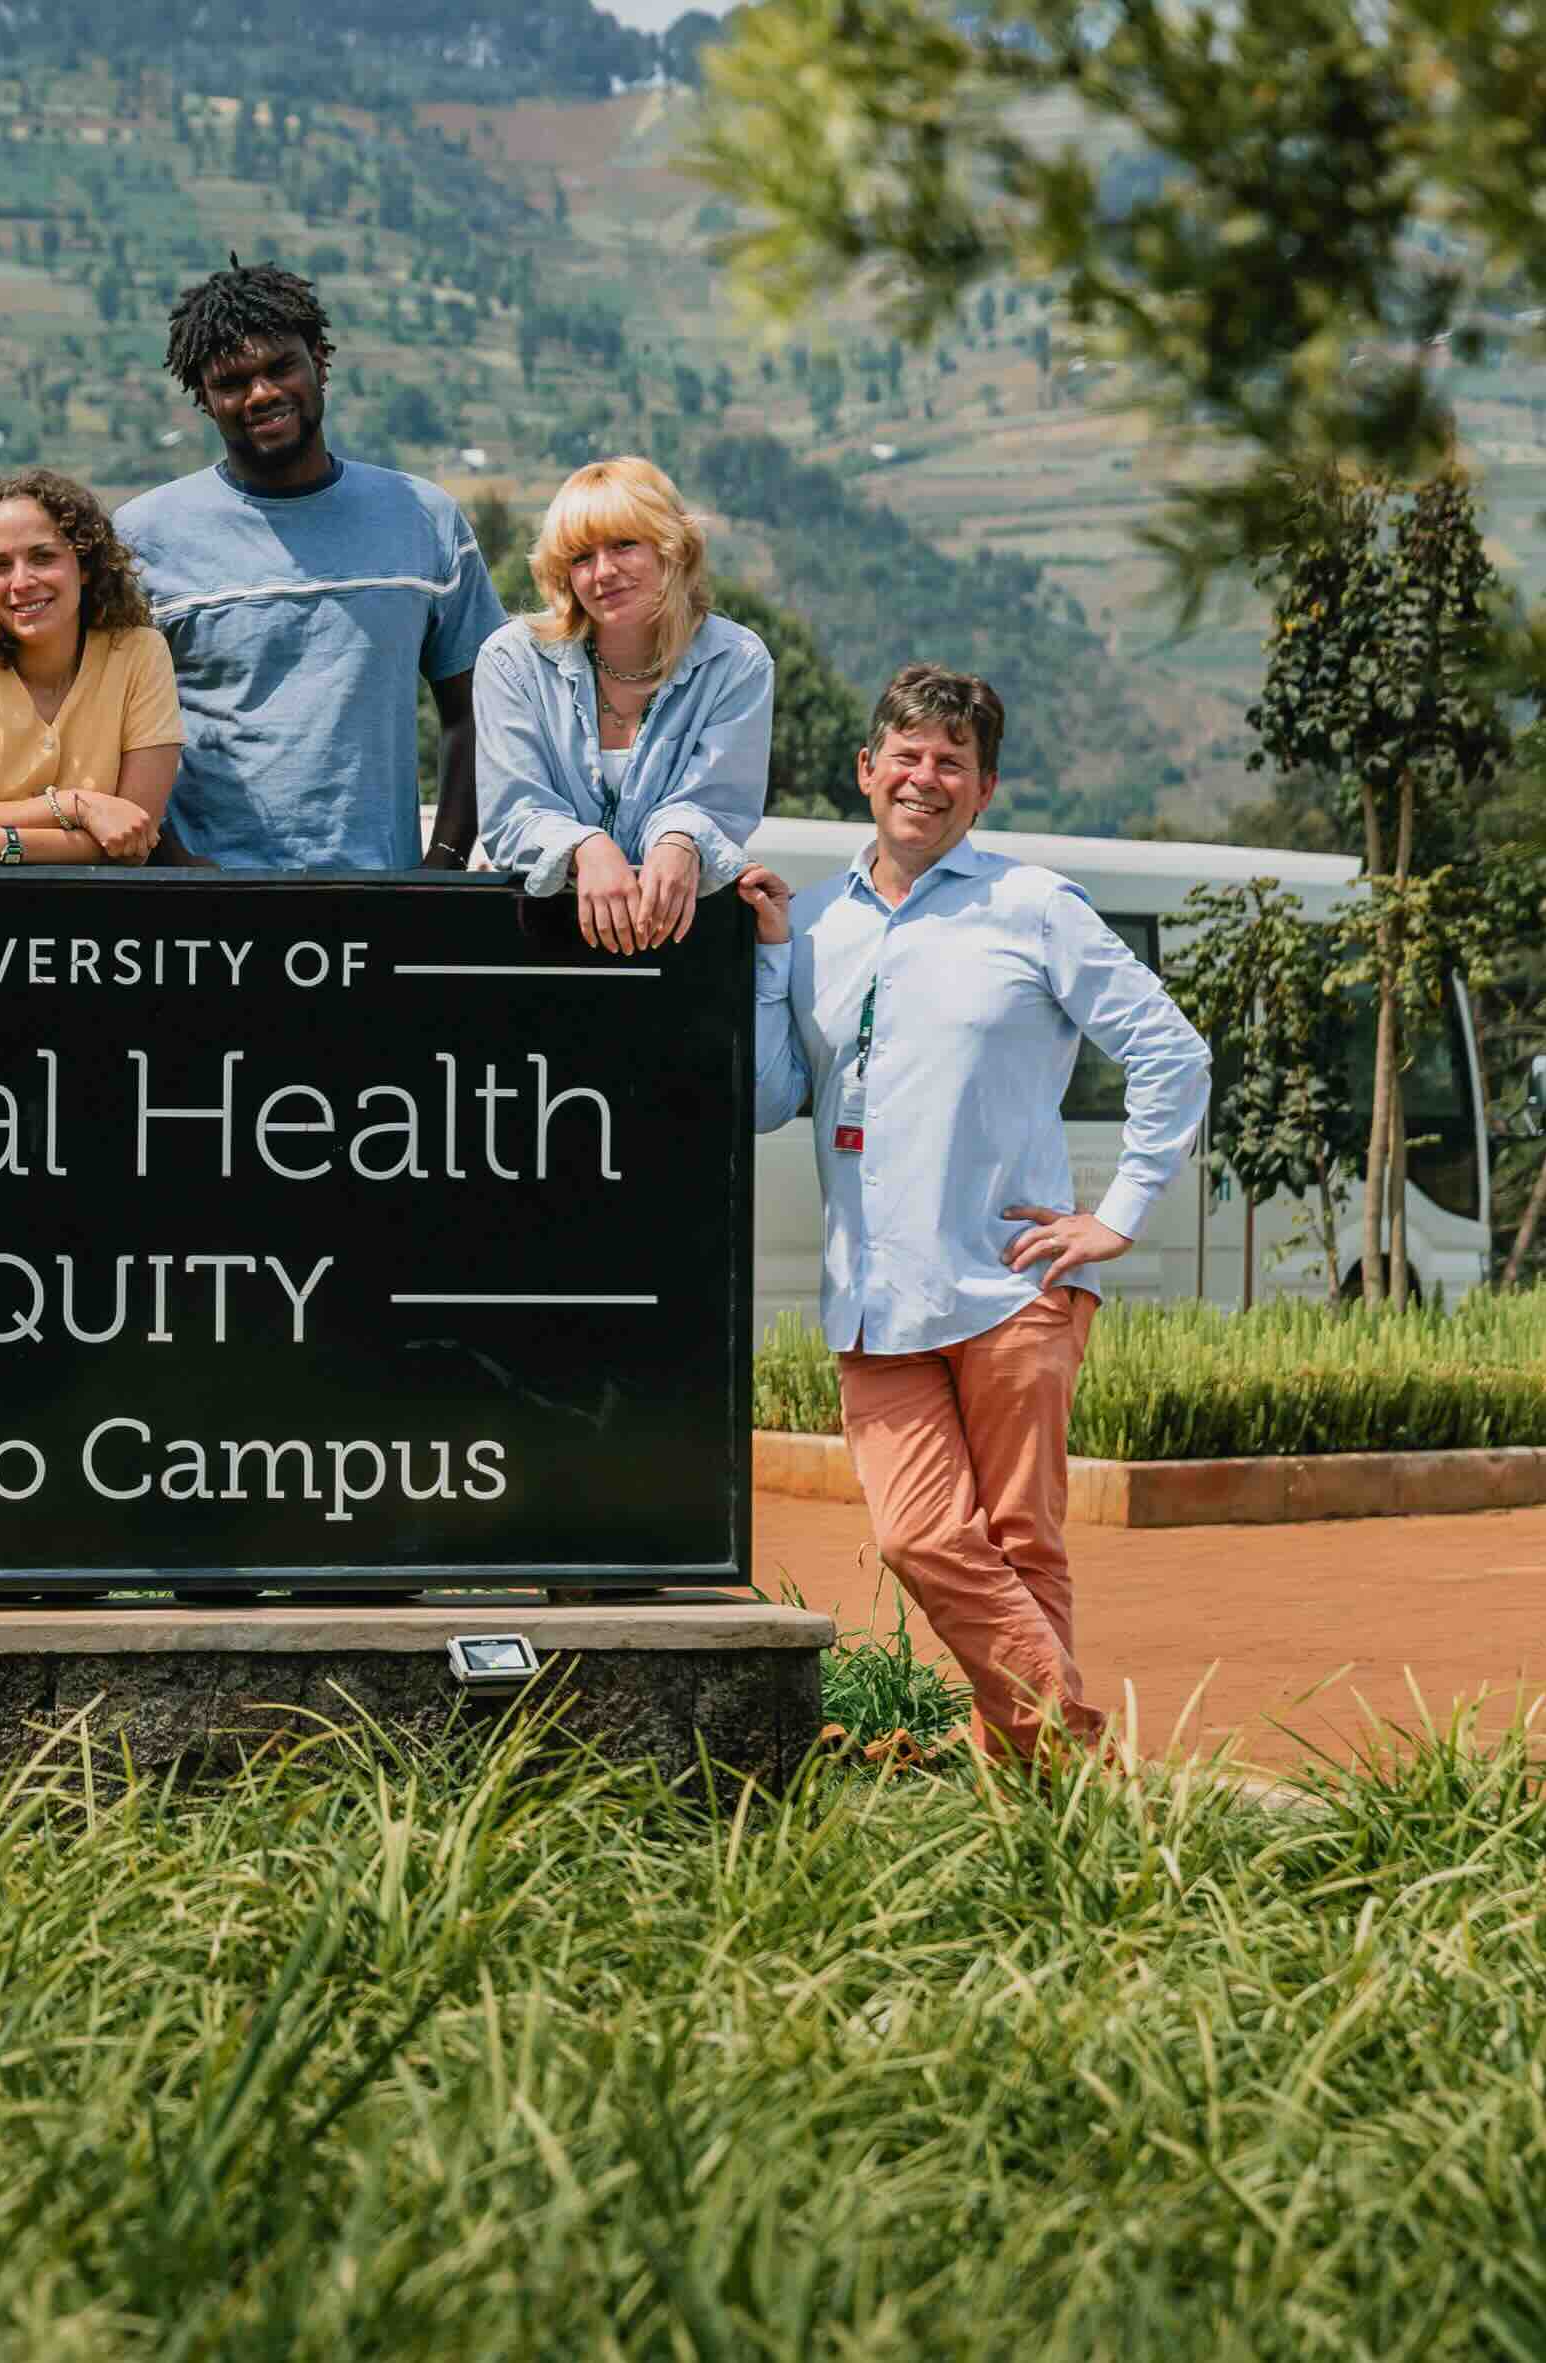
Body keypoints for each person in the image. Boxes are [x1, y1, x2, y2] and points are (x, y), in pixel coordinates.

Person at [742, 667, 1211, 1766]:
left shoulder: (1032, 906)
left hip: (1016, 1285)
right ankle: (1076, 1753)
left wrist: (1118, 1214)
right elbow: (770, 1097)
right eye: (906, 754)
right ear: (866, 770)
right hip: (874, 1294)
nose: (926, 777)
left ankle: (1036, 1808)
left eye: (953, 760)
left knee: (1020, 1543)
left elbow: (1170, 1052)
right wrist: (770, 962)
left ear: (984, 788)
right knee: (917, 1535)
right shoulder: (810, 925)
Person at [115, 261, 505, 874]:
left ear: (320, 361)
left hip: (380, 904)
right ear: (203, 399)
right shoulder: (143, 538)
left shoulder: (424, 519)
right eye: (233, 381)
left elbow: (480, 709)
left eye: (280, 367)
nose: (262, 393)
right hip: (201, 915)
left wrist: (444, 863)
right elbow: (103, 727)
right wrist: (173, 864)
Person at [475, 457, 772, 953]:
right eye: (580, 557)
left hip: (677, 940)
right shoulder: (510, 660)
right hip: (533, 940)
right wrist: (585, 847)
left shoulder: (737, 662)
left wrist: (680, 840)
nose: (603, 573)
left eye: (623, 545)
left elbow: (721, 803)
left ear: (671, 549)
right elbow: (512, 814)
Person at [0, 468, 180, 868]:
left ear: (83, 565)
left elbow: (134, 839)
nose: (22, 581)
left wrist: (5, 843)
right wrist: (80, 807)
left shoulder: (140, 653)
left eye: (43, 557)